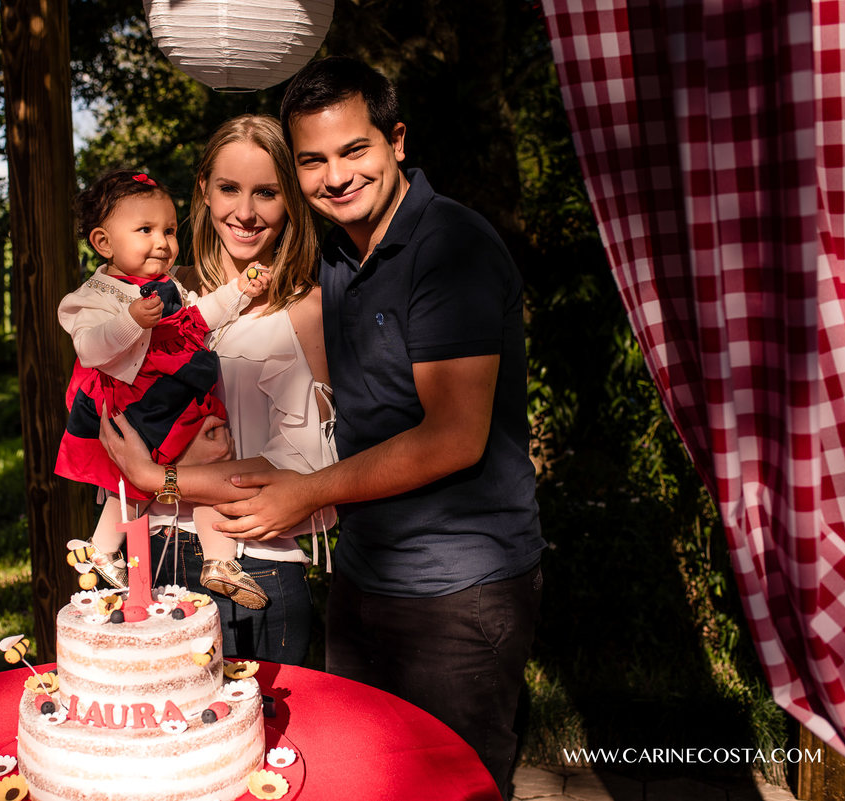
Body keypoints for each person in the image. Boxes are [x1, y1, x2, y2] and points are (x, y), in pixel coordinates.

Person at [206, 57, 547, 794]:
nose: (335, 176)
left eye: (353, 150)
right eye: (313, 161)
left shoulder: (450, 246)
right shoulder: (336, 248)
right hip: (367, 577)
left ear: (396, 141)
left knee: (451, 785)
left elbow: (455, 434)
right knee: (365, 779)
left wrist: (304, 492)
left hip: (459, 586)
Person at [99, 114, 337, 665]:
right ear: (203, 189)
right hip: (139, 554)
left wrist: (159, 478)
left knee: (254, 746)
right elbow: (108, 416)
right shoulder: (157, 296)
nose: (245, 212)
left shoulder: (306, 308)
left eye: (267, 193)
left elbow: (306, 471)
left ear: (292, 201)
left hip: (256, 562)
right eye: (230, 188)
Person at [54, 168, 272, 609]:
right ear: (103, 243)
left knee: (209, 461)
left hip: (177, 395)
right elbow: (90, 346)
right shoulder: (93, 295)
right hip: (139, 402)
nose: (163, 241)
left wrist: (238, 293)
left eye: (170, 230)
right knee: (170, 469)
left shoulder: (169, 286)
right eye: (146, 230)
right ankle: (113, 548)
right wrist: (129, 320)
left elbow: (199, 317)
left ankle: (209, 560)